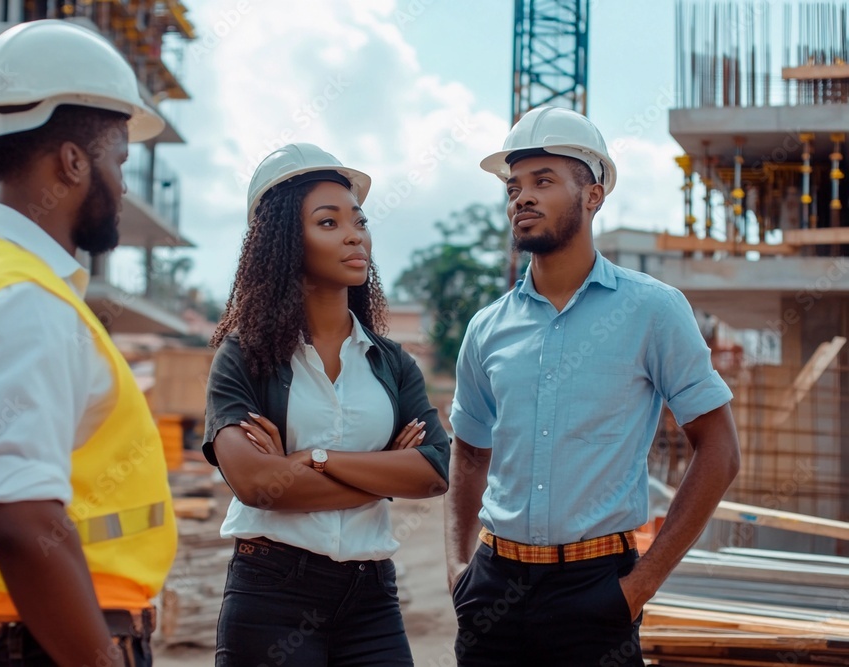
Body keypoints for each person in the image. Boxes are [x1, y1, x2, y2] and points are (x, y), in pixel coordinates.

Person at [0, 20, 176, 667]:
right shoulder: (24, 302)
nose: (123, 186)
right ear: (73, 162)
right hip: (41, 643)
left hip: (4, 631)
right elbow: (24, 523)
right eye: (118, 160)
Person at [444, 106, 741, 666]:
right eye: (514, 187)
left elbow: (720, 451)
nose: (522, 198)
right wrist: (459, 568)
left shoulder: (652, 310)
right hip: (492, 590)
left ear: (593, 195)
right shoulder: (487, 328)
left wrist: (640, 587)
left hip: (597, 591)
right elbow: (470, 451)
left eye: (543, 181)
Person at [203, 143, 451, 667]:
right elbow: (257, 485)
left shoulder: (392, 363)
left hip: (371, 597)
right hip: (272, 594)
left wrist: (312, 459)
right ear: (284, 242)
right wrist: (385, 471)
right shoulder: (245, 357)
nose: (354, 234)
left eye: (358, 221)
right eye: (328, 222)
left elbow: (433, 472)